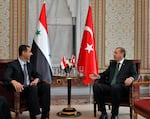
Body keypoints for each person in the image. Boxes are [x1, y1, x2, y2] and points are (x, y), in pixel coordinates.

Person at [3, 45, 50, 119]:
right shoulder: (12, 65)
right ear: (23, 53)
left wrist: (37, 79)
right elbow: (5, 77)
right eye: (30, 52)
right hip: (20, 90)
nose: (32, 54)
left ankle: (45, 114)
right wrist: (13, 81)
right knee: (33, 88)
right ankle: (33, 115)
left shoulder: (29, 65)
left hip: (31, 88)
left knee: (45, 86)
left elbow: (39, 75)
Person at [90, 47, 138, 119]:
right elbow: (106, 73)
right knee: (96, 86)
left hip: (122, 87)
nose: (114, 54)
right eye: (114, 52)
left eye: (116, 53)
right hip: (111, 86)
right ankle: (103, 113)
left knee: (115, 87)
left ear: (122, 54)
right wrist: (98, 76)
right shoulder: (113, 64)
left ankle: (114, 114)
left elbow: (135, 74)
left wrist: (131, 78)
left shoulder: (129, 63)